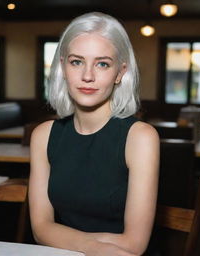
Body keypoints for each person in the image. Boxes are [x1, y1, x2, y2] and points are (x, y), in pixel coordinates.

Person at [29, 12, 159, 256]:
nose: (87, 76)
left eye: (102, 64)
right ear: (62, 67)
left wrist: (63, 237)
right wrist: (90, 247)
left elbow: (135, 244)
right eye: (77, 61)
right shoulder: (43, 136)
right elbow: (40, 229)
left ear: (120, 73)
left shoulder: (140, 137)